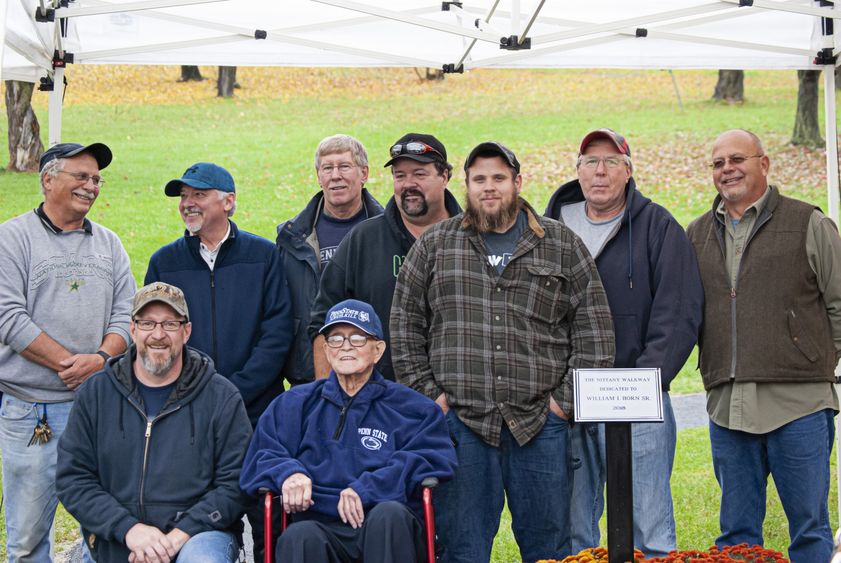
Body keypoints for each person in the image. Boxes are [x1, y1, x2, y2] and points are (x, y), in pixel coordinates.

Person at [391, 141, 615, 563]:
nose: (488, 188)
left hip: (540, 425)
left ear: (517, 182)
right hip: (460, 425)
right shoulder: (437, 245)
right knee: (462, 549)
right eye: (479, 180)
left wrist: (562, 406)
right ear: (467, 185)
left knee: (549, 549)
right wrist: (431, 400)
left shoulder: (560, 244)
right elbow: (404, 325)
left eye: (498, 178)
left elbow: (595, 332)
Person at [545, 128, 703, 557]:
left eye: (611, 162)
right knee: (575, 527)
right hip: (568, 398)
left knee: (648, 526)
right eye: (590, 162)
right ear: (577, 172)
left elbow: (679, 311)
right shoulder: (548, 230)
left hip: (635, 398)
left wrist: (643, 382)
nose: (600, 171)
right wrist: (554, 389)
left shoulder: (658, 226)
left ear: (628, 171)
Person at [687, 129, 841, 563]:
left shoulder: (808, 222)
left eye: (737, 159)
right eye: (718, 163)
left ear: (765, 164)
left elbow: (840, 303)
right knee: (736, 536)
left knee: (810, 529)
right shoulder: (696, 234)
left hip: (800, 405)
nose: (727, 169)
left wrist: (819, 361)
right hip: (728, 405)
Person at [240, 299, 457, 563]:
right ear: (327, 350)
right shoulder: (294, 404)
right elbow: (260, 456)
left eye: (357, 338)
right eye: (335, 339)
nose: (345, 347)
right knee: (299, 536)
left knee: (388, 515)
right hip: (320, 522)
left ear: (377, 350)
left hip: (387, 525)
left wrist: (369, 487)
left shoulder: (413, 408)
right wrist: (289, 472)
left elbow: (435, 457)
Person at [0, 142, 135, 562]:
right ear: (47, 180)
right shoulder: (12, 238)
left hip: (99, 406)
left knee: (105, 531)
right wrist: (68, 364)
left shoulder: (108, 243)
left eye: (96, 179)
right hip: (32, 411)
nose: (91, 186)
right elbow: (7, 316)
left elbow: (126, 313)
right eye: (81, 176)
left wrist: (99, 360)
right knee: (27, 539)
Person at [56, 282, 252, 563]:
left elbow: (236, 482)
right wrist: (129, 530)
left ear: (186, 332)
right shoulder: (96, 394)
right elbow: (73, 478)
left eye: (170, 324)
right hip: (118, 535)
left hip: (197, 537)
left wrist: (178, 535)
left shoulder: (221, 396)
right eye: (147, 323)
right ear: (133, 330)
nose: (158, 334)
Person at [144, 162, 293, 425]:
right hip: (185, 409)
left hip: (255, 411)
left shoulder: (263, 256)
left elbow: (277, 332)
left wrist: (235, 392)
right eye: (183, 196)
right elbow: (153, 335)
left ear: (228, 202)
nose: (187, 203)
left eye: (199, 195)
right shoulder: (163, 263)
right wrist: (192, 391)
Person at [309, 133, 461, 380]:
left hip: (461, 403)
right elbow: (323, 322)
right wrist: (328, 400)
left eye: (419, 174)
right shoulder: (363, 239)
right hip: (377, 403)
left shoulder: (472, 239)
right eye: (400, 176)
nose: (408, 184)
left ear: (444, 176)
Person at [277, 134, 383, 384]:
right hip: (309, 373)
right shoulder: (292, 238)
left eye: (344, 166)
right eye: (327, 168)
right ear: (319, 177)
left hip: (377, 374)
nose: (335, 175)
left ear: (364, 173)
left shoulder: (388, 232)